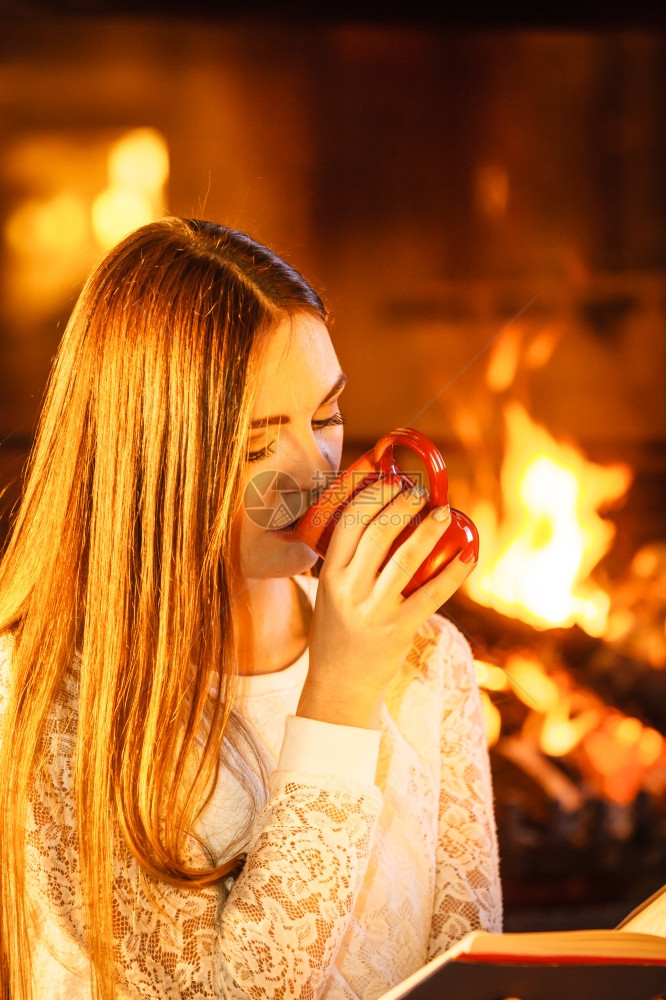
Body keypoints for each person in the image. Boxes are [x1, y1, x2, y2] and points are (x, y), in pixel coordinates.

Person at [0, 217, 502, 1000]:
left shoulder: (427, 657)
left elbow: (472, 969)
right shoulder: (43, 691)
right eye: (257, 445)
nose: (315, 469)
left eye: (327, 415)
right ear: (152, 458)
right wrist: (338, 696)